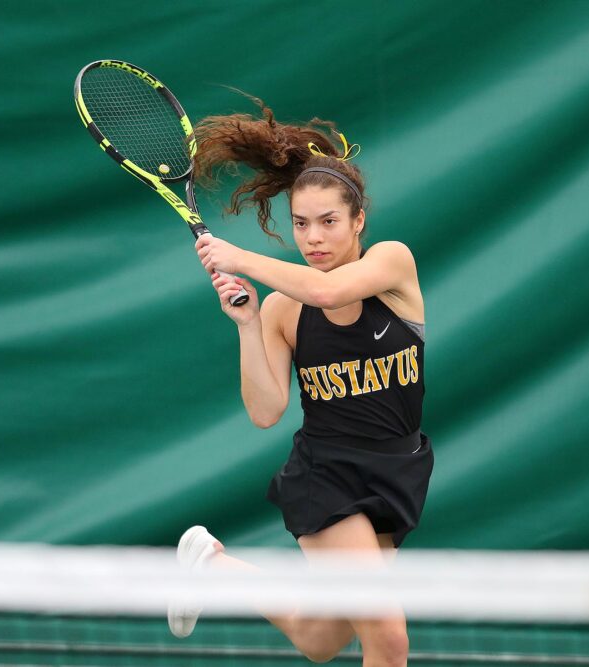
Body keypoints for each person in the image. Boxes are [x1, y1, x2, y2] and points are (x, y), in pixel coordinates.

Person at [168, 96, 433, 667]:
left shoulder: (392, 265)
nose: (313, 237)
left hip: (397, 469)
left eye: (329, 222)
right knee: (388, 635)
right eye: (301, 223)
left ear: (358, 220)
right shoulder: (284, 309)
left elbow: (331, 290)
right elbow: (266, 411)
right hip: (327, 475)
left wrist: (239, 257)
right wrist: (246, 325)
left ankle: (210, 564)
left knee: (321, 639)